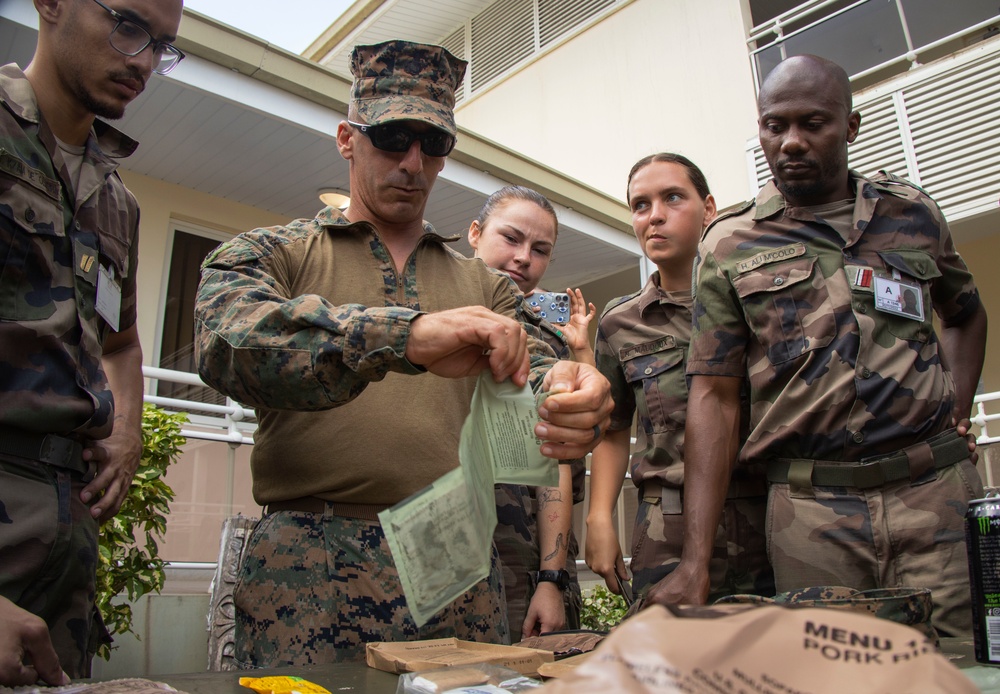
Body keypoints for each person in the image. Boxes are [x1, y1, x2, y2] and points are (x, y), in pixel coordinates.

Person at [193, 40, 613, 667]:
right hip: (309, 556)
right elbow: (229, 340)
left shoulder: (486, 287)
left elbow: (539, 375)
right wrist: (403, 336)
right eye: (392, 137)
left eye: (433, 145)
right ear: (347, 138)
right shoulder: (275, 254)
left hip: (455, 555)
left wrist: (577, 394)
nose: (413, 163)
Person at [656, 55, 987, 637]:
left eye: (814, 123)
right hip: (812, 516)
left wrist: (958, 408)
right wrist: (695, 560)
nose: (790, 142)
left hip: (935, 496)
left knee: (961, 671)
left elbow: (964, 314)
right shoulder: (729, 243)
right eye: (774, 126)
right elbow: (714, 395)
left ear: (851, 126)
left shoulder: (912, 213)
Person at [0, 0, 184, 679]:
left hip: (65, 519)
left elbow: (121, 342)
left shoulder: (116, 200)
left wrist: (128, 429)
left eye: (162, 46)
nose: (142, 61)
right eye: (127, 25)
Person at [585, 154, 773, 605]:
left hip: (769, 519)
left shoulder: (761, 300)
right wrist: (599, 517)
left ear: (709, 209)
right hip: (666, 526)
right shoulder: (621, 323)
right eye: (640, 205)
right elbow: (611, 428)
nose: (655, 216)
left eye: (673, 198)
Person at [467, 185, 594, 640]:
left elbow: (559, 459)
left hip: (529, 560)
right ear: (475, 233)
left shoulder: (551, 340)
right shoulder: (430, 317)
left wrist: (551, 579)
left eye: (540, 250)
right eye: (511, 238)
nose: (524, 257)